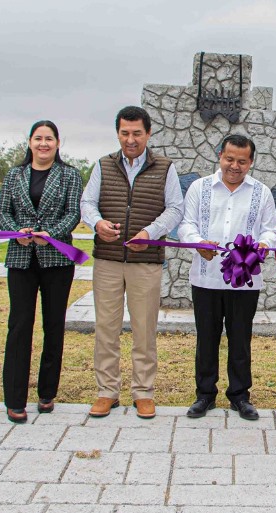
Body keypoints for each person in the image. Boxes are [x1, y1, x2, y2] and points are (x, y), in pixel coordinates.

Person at [79, 106, 184, 419]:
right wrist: (97, 223)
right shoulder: (103, 165)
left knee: (144, 329)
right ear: (118, 133)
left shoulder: (165, 167)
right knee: (106, 329)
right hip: (108, 260)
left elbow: (175, 209)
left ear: (148, 134)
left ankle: (143, 392)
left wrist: (150, 232)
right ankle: (107, 392)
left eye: (137, 132)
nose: (130, 139)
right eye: (125, 132)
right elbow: (87, 202)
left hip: (146, 261)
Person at [178, 135, 276, 421]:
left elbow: (272, 229)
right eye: (229, 159)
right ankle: (205, 395)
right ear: (220, 155)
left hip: (245, 280)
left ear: (251, 162)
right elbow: (187, 224)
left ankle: (239, 396)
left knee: (240, 339)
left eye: (242, 161)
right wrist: (198, 242)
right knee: (206, 338)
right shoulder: (200, 188)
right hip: (205, 277)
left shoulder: (262, 192)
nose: (234, 166)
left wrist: (264, 243)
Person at [0, 120, 83, 423]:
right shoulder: (14, 175)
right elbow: (2, 212)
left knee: (53, 325)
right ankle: (14, 397)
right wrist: (15, 231)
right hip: (21, 259)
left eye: (49, 139)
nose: (43, 144)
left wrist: (49, 233)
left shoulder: (69, 175)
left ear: (58, 143)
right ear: (30, 142)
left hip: (56, 261)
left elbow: (73, 213)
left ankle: (47, 393)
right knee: (19, 326)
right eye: (38, 138)